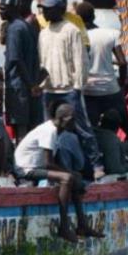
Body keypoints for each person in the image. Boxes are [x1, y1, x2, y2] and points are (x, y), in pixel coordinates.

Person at [14, 102, 104, 242]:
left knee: (74, 177)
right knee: (67, 178)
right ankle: (64, 227)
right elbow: (48, 163)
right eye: (71, 120)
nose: (74, 123)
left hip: (36, 167)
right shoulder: (49, 131)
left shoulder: (57, 131)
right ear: (62, 119)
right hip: (25, 169)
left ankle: (82, 225)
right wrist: (69, 174)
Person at [39, 0, 102, 178]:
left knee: (82, 128)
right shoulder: (43, 33)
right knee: (50, 131)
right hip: (49, 89)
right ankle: (55, 169)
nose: (44, 12)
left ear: (59, 10)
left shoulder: (72, 30)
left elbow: (81, 60)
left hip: (69, 89)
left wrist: (77, 87)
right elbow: (42, 62)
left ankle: (96, 164)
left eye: (48, 8)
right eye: (43, 8)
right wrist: (39, 85)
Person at [76, 2, 128, 129]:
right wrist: (121, 83)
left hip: (88, 90)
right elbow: (123, 62)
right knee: (127, 125)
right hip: (110, 88)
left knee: (91, 128)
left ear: (78, 18)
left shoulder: (76, 36)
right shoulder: (111, 33)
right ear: (94, 16)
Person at [0, 0, 41, 141]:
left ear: (14, 8)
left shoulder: (15, 28)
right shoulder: (25, 25)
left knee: (21, 129)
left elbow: (15, 59)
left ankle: (21, 163)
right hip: (27, 85)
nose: (0, 11)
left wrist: (30, 85)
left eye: (3, 8)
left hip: (19, 86)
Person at [94, 109, 128, 175]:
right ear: (117, 127)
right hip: (105, 174)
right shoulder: (112, 140)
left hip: (95, 166)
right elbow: (115, 169)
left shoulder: (92, 133)